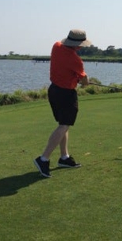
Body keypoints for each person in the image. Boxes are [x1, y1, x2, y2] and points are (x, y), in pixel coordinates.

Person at [34, 29, 92, 178]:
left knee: (63, 124)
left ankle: (64, 157)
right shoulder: (76, 60)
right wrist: (84, 80)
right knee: (64, 125)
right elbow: (85, 83)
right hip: (66, 94)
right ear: (77, 45)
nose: (81, 47)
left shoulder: (56, 46)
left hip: (53, 91)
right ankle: (43, 159)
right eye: (80, 44)